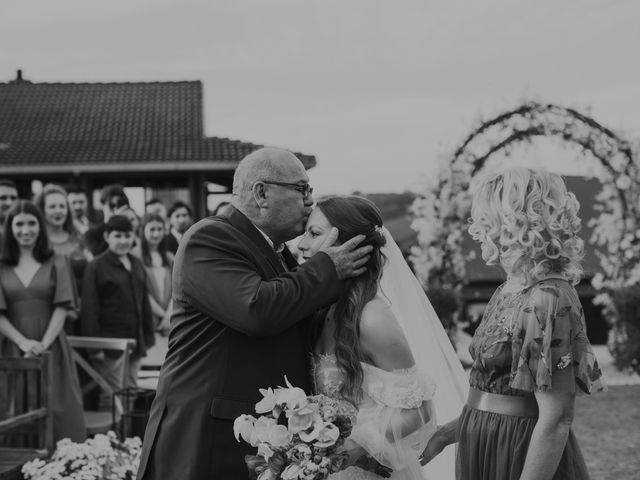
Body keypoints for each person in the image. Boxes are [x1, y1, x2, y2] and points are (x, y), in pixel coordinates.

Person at [137, 147, 373, 480]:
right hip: (209, 439)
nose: (310, 201)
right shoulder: (209, 239)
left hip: (261, 441)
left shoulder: (282, 255)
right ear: (261, 192)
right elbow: (257, 309)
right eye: (302, 189)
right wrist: (327, 268)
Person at [423, 167, 606, 480]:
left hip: (519, 453)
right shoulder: (508, 288)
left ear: (512, 221)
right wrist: (444, 435)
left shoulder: (549, 298)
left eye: (483, 218)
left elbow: (556, 418)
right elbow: (495, 396)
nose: (475, 228)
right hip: (480, 442)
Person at [299, 196, 468, 480]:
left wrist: (352, 444)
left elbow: (421, 410)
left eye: (313, 234)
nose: (301, 244)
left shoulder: (372, 318)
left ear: (352, 247)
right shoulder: (322, 309)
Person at [0, 200, 86, 442]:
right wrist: (24, 343)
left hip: (52, 347)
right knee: (15, 409)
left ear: (40, 226)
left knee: (59, 411)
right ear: (10, 228)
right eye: (19, 224)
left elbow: (62, 306)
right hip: (13, 350)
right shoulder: (1, 264)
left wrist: (42, 345)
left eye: (31, 223)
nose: (25, 230)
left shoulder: (57, 260)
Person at [80, 215, 155, 406]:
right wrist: (94, 348)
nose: (123, 241)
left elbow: (144, 301)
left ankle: (127, 436)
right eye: (118, 236)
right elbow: (89, 309)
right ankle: (109, 436)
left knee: (130, 392)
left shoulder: (136, 263)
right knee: (111, 396)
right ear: (107, 236)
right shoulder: (96, 266)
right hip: (109, 344)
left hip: (135, 341)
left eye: (127, 236)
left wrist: (148, 335)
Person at [137, 213, 173, 335]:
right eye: (152, 229)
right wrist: (164, 316)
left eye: (159, 229)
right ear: (143, 230)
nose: (156, 234)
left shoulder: (169, 258)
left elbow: (177, 290)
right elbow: (141, 292)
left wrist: (169, 315)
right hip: (147, 320)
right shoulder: (136, 257)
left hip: (170, 320)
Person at [84, 184, 130, 256]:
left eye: (119, 206)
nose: (115, 210)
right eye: (112, 206)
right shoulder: (92, 234)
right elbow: (97, 255)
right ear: (103, 206)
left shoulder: (131, 232)